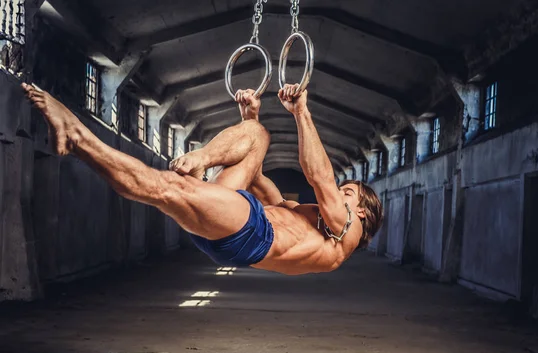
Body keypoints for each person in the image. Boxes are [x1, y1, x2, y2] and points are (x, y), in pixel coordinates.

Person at [21, 82, 383, 275]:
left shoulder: (346, 231)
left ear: (363, 211)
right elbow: (257, 177)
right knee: (258, 135)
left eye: (347, 191)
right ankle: (200, 160)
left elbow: (319, 175)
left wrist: (301, 111)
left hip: (252, 235)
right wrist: (248, 118)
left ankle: (78, 138)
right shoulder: (311, 218)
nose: (338, 191)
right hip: (247, 219)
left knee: (165, 188)